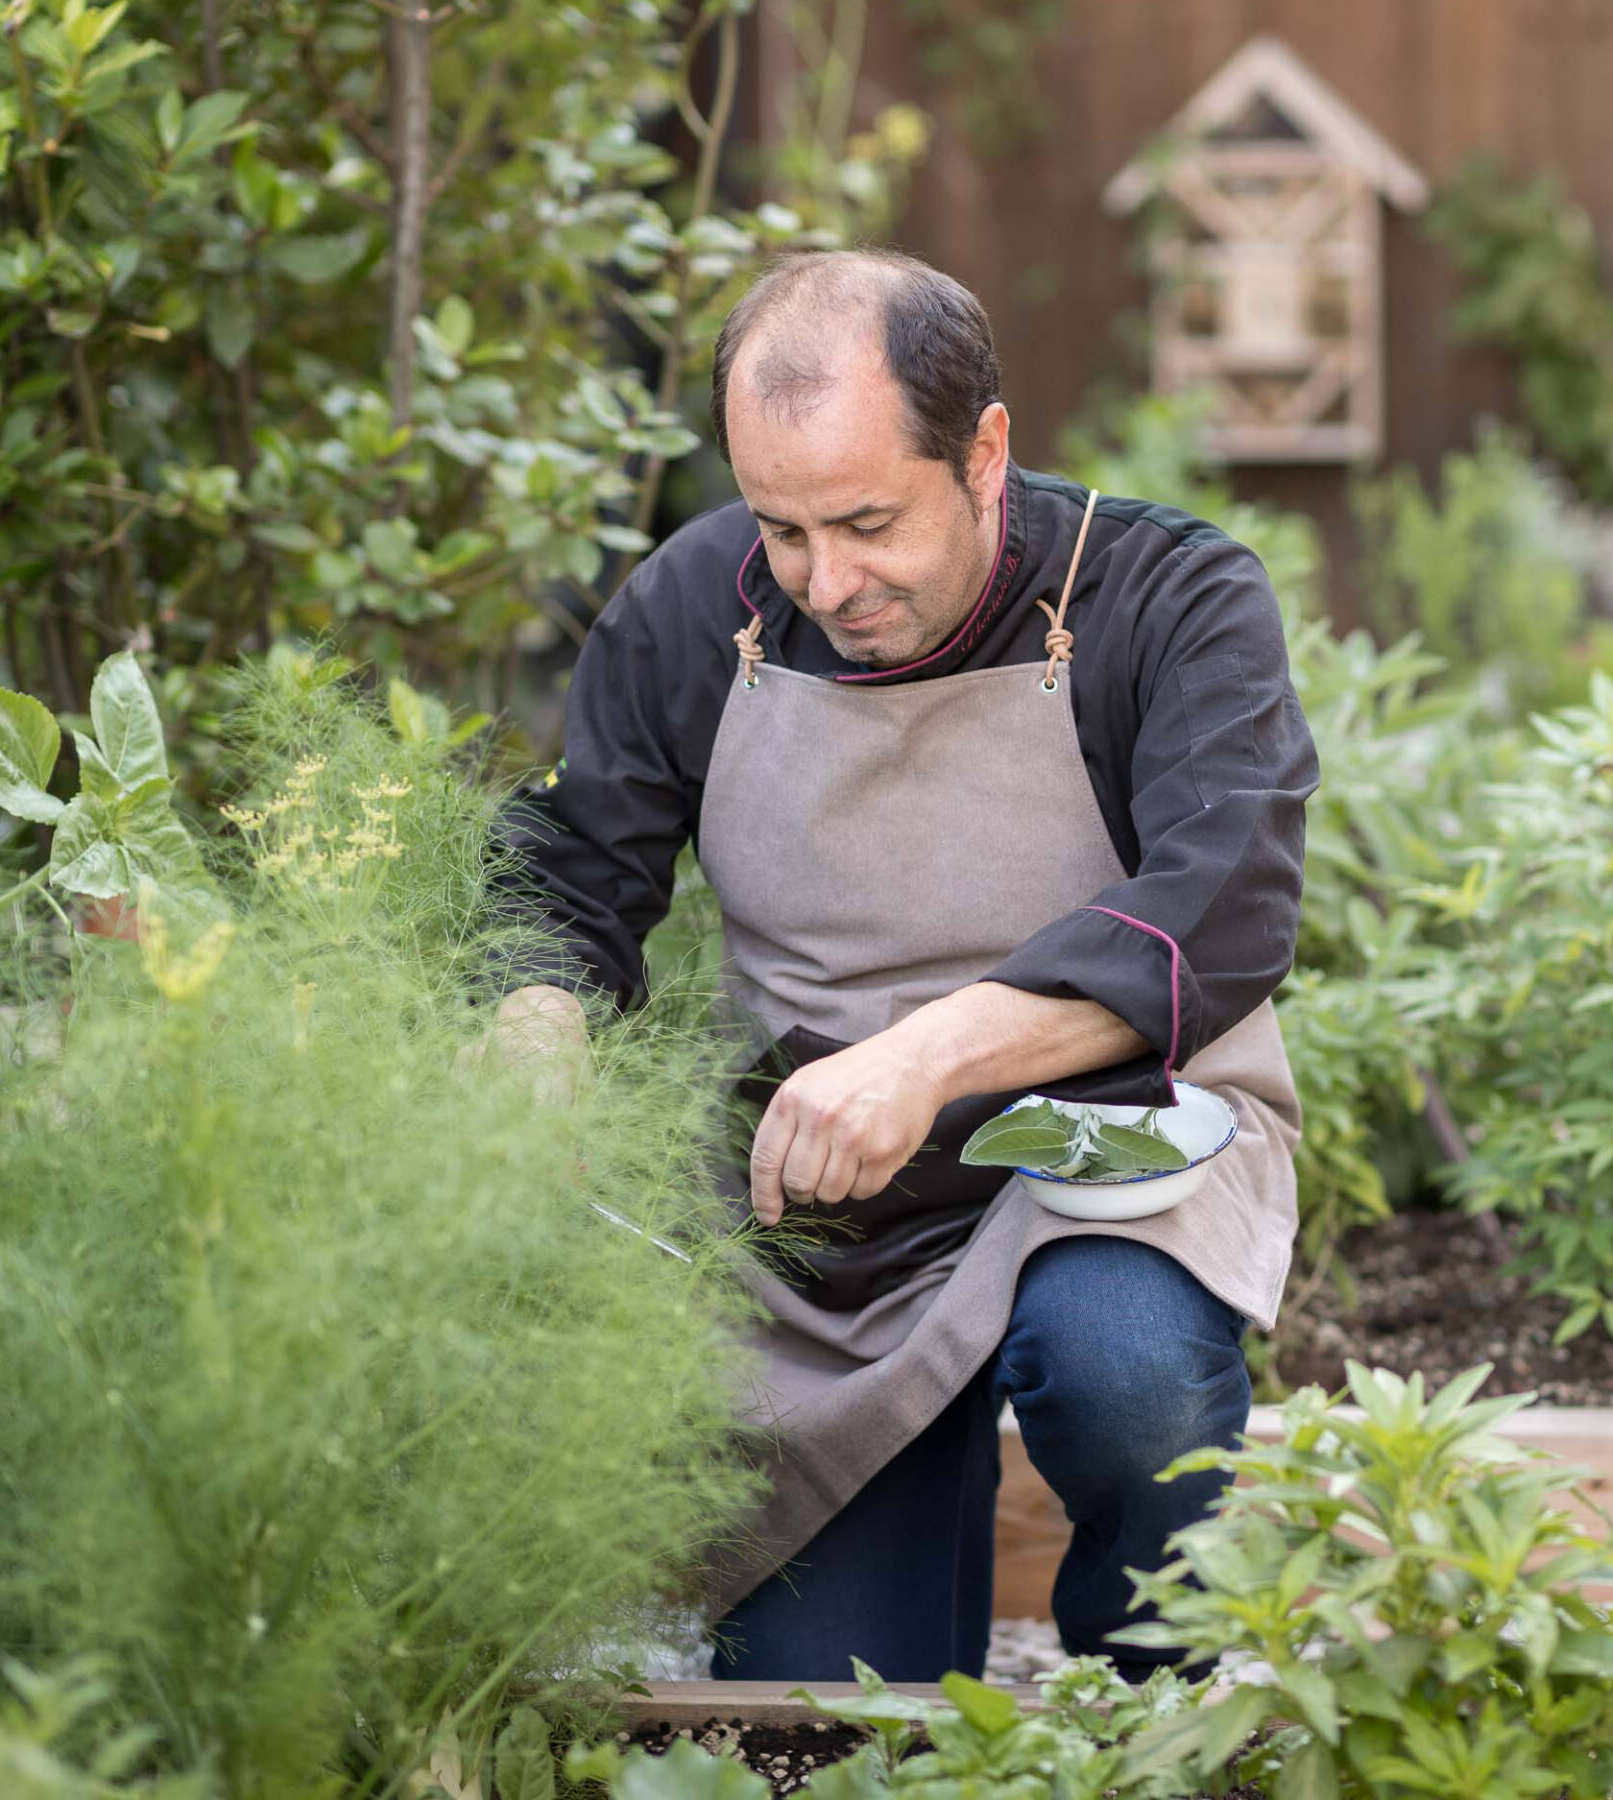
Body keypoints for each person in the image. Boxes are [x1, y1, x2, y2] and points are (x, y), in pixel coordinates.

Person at [491, 248, 1315, 1681]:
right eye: (785, 529)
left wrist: (927, 1054)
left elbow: (1226, 899)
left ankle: (1151, 1699)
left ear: (983, 448)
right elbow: (571, 867)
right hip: (832, 1219)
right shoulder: (701, 605)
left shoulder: (1165, 598)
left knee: (1125, 1375)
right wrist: (532, 1025)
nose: (826, 582)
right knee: (829, 1713)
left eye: (869, 522)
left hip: (1109, 1148)